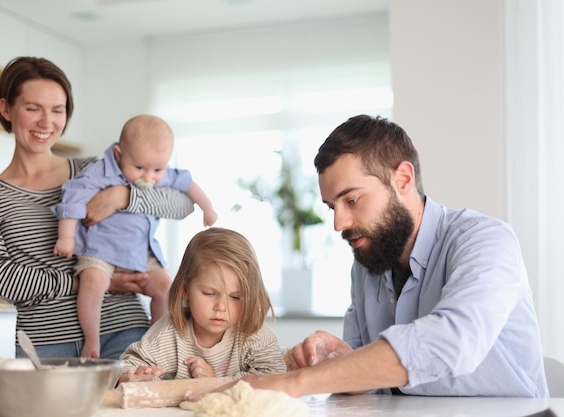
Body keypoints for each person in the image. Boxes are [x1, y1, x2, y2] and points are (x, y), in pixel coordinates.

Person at [222, 114, 548, 398]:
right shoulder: (367, 261)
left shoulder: (484, 240)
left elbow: (452, 342)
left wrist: (295, 383)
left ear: (402, 179)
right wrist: (341, 360)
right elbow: (374, 385)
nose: (339, 223)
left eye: (351, 200)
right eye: (331, 207)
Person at [0, 56, 195, 360]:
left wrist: (122, 197)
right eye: (33, 109)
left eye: (57, 110)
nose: (47, 122)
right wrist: (87, 282)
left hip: (125, 330)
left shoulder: (94, 172)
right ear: (6, 109)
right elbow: (1, 278)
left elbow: (183, 204)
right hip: (44, 343)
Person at [52, 114, 218, 358]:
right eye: (139, 168)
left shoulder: (157, 171)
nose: (148, 177)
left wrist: (208, 207)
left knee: (166, 288)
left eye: (158, 170)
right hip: (101, 251)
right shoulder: (99, 171)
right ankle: (92, 340)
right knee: (93, 283)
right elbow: (73, 198)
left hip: (141, 254)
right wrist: (66, 238)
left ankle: (156, 343)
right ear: (119, 155)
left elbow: (188, 186)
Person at [116, 227, 286, 384]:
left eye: (236, 297)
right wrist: (133, 377)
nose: (221, 307)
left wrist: (215, 382)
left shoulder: (252, 332)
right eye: (209, 293)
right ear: (185, 290)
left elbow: (274, 375)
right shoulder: (168, 333)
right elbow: (124, 367)